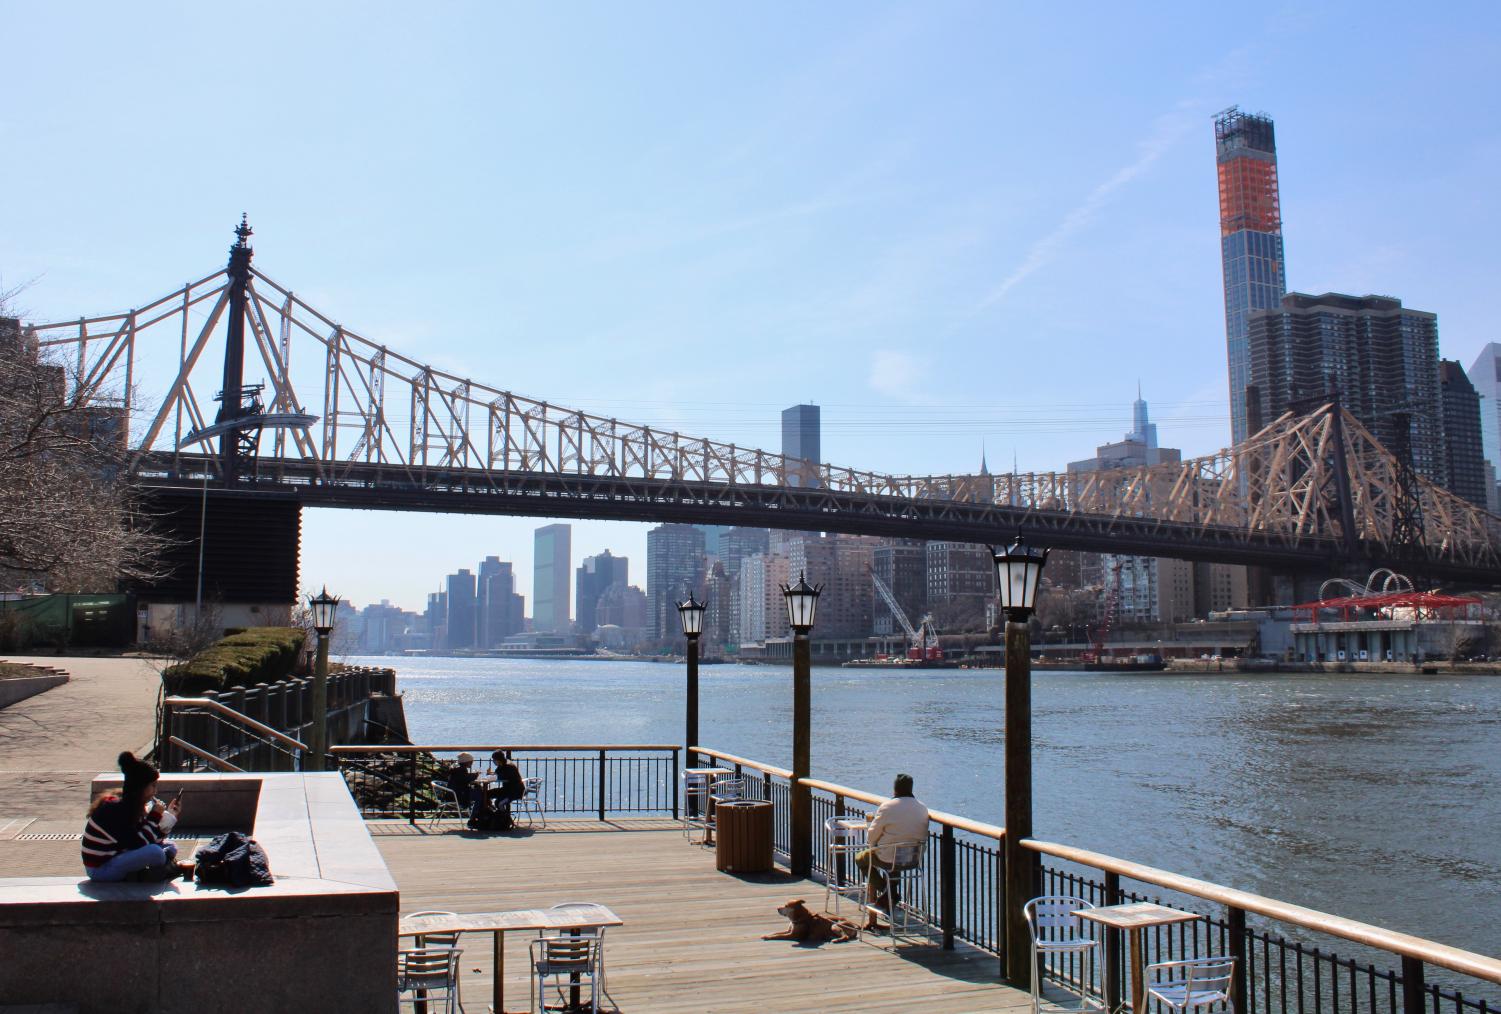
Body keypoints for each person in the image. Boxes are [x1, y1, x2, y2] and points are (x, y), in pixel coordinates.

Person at [82, 751, 187, 882]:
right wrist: (154, 815)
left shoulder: (133, 805)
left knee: (171, 846)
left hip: (119, 855)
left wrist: (170, 817)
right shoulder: (116, 809)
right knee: (156, 853)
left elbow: (148, 838)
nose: (155, 791)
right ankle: (150, 872)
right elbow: (138, 843)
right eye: (152, 786)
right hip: (101, 869)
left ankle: (145, 872)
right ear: (140, 787)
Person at [855, 773, 929, 932]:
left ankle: (889, 893)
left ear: (894, 789)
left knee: (861, 858)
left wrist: (874, 842)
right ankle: (890, 892)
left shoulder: (887, 807)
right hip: (913, 859)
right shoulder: (922, 808)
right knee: (895, 864)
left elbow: (871, 836)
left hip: (889, 857)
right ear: (911, 788)